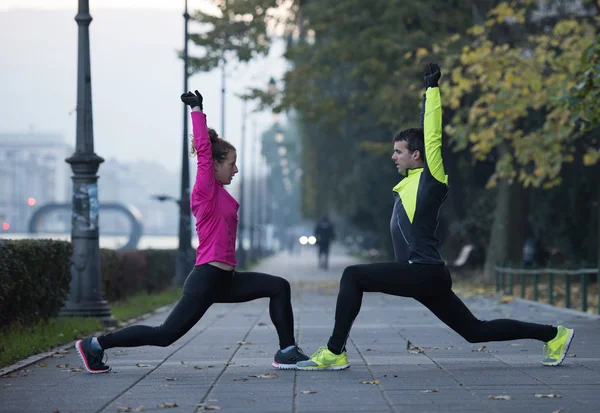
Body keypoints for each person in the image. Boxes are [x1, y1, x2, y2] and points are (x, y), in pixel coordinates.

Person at [297, 64, 574, 371]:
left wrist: (431, 90)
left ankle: (335, 351)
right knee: (474, 331)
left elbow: (432, 135)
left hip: (422, 271)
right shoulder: (406, 185)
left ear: (417, 155)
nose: (393, 157)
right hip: (425, 273)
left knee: (353, 276)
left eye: (398, 151)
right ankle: (554, 335)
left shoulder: (431, 179)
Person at [76, 90, 308, 373]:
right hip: (207, 278)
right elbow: (203, 152)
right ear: (215, 165)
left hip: (226, 278)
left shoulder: (220, 193)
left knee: (279, 286)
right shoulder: (206, 191)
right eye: (231, 164)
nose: (236, 170)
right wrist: (197, 111)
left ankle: (287, 351)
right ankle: (95, 345)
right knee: (164, 336)